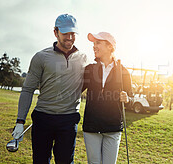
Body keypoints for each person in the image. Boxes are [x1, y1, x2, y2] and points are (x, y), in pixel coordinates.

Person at [11, 14, 87, 164]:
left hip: (69, 119)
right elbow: (27, 89)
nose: (70, 37)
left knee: (65, 161)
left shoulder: (83, 58)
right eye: (65, 33)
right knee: (40, 161)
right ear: (55, 32)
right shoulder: (41, 57)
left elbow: (88, 84)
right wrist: (20, 121)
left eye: (73, 33)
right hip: (43, 118)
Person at [82, 32, 132, 164]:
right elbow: (75, 90)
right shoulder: (89, 69)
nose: (94, 46)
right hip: (91, 127)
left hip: (113, 128)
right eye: (93, 43)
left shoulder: (123, 72)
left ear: (110, 47)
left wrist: (127, 99)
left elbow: (131, 98)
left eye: (98, 43)